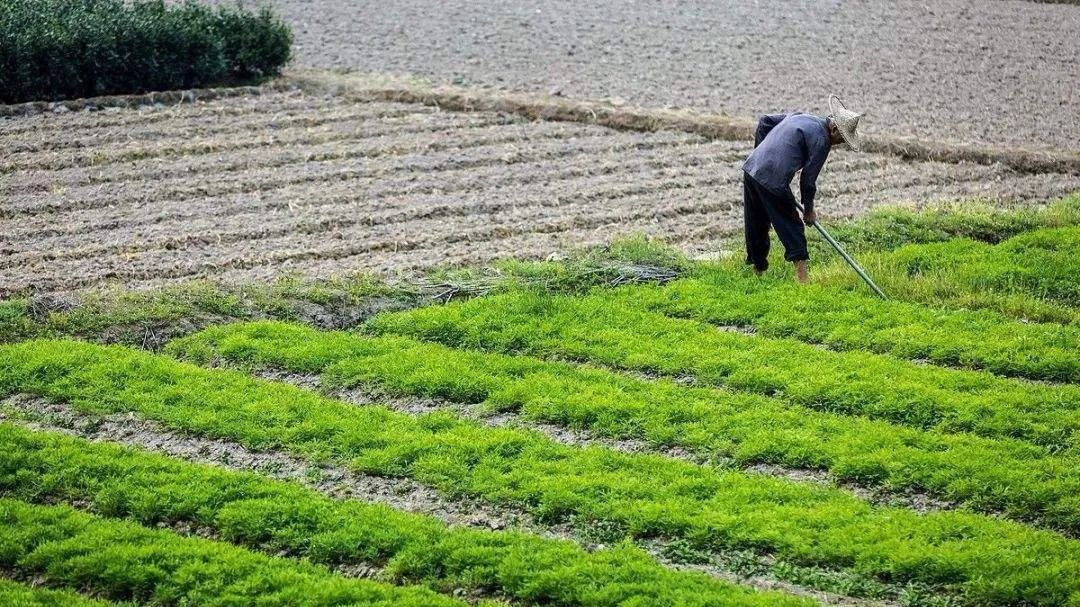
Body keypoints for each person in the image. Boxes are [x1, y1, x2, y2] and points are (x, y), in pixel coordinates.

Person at [741, 95, 863, 282]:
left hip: (751, 169)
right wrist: (809, 211)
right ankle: (802, 279)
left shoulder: (801, 116)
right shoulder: (822, 140)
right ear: (835, 128)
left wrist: (760, 153)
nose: (840, 144)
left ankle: (758, 271)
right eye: (842, 139)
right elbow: (808, 180)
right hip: (773, 179)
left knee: (757, 219)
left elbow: (765, 121)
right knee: (792, 225)